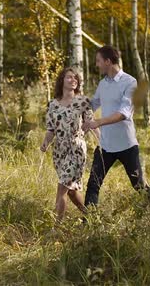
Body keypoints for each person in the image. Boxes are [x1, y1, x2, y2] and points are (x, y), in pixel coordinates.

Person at [81, 45, 150, 208]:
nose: (97, 64)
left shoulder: (130, 82)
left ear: (108, 61)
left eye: (99, 61)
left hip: (126, 144)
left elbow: (123, 113)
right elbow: (93, 104)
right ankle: (89, 223)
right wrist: (75, 103)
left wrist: (98, 122)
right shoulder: (103, 83)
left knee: (138, 185)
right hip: (105, 145)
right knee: (93, 184)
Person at [40, 67, 98, 221]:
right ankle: (92, 218)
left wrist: (103, 142)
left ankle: (57, 226)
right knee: (71, 191)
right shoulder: (52, 104)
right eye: (69, 77)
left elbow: (92, 124)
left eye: (76, 78)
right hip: (59, 151)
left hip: (76, 149)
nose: (74, 80)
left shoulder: (83, 102)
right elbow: (50, 129)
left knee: (61, 188)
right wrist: (46, 142)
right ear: (62, 81)